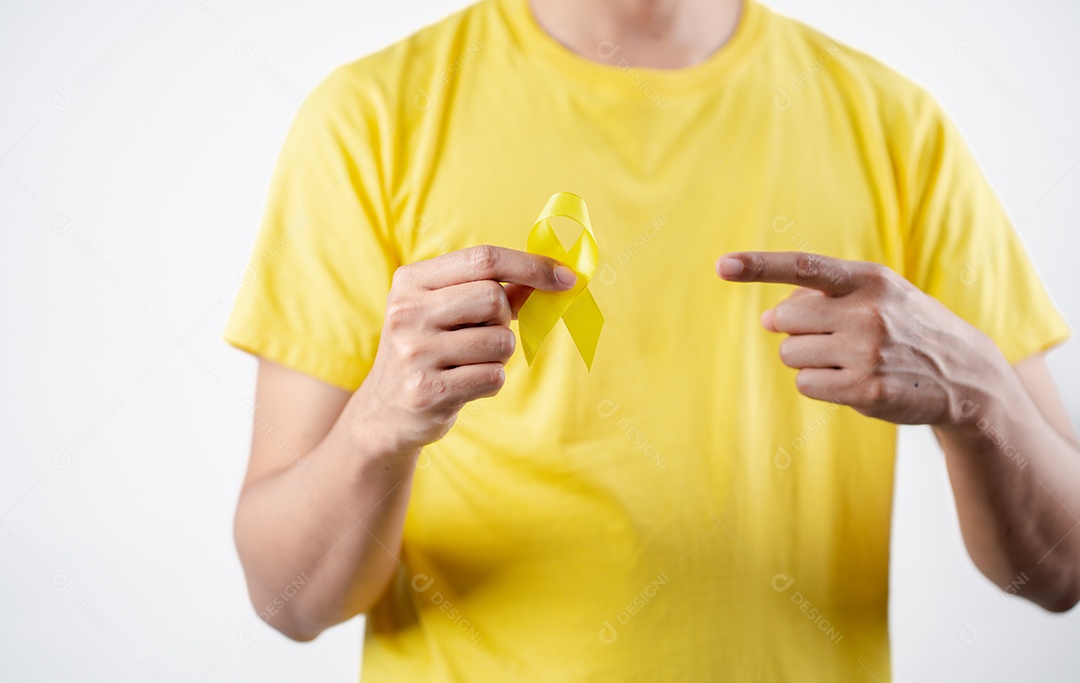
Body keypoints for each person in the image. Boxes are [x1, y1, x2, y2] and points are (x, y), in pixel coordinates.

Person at [223, 0, 1080, 679]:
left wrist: (979, 395)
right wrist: (379, 422)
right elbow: (285, 598)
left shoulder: (900, 129)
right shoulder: (370, 119)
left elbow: (1062, 570)